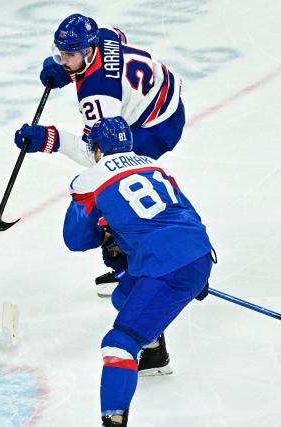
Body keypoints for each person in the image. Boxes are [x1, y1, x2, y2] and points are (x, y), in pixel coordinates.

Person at [14, 12, 186, 316]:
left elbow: (91, 155)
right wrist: (66, 71)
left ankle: (127, 270)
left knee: (113, 190)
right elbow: (118, 37)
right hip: (163, 97)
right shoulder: (103, 35)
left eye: (70, 54)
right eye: (60, 53)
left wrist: (46, 138)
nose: (64, 58)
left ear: (89, 50)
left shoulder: (98, 98)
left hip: (155, 128)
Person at [62, 117, 212, 426]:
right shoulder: (154, 167)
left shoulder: (89, 179)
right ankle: (155, 352)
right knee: (124, 297)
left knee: (118, 344)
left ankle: (113, 421)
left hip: (166, 268)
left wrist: (105, 236)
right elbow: (183, 213)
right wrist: (198, 270)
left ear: (97, 148)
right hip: (199, 254)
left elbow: (76, 239)